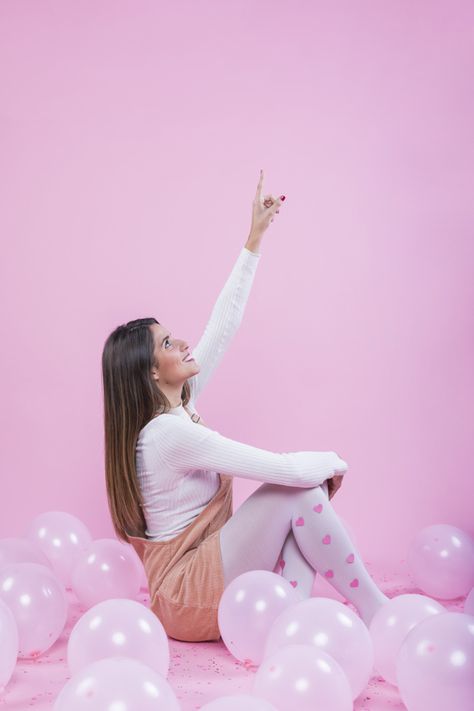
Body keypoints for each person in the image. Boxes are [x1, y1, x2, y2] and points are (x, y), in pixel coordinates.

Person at [101, 170, 389, 642]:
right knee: (297, 489)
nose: (185, 343)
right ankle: (375, 610)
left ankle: (294, 622)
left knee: (300, 504)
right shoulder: (168, 435)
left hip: (199, 582)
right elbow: (279, 469)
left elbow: (224, 323)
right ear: (152, 373)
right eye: (169, 343)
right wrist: (334, 464)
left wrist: (254, 238)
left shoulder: (177, 410)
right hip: (187, 595)